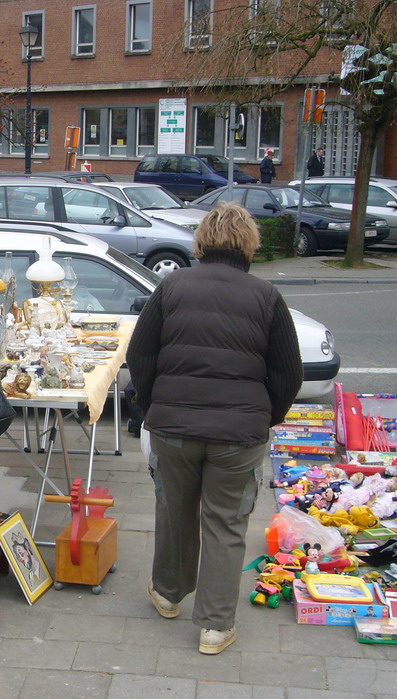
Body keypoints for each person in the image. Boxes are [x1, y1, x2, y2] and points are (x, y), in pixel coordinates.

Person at [125, 202, 302, 655]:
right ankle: (215, 626)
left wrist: (152, 406)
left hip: (173, 426)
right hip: (238, 434)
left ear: (202, 241)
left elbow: (140, 357)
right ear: (249, 244)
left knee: (175, 511)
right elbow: (288, 374)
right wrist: (266, 417)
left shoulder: (172, 286)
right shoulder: (265, 296)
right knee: (226, 524)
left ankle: (167, 593)